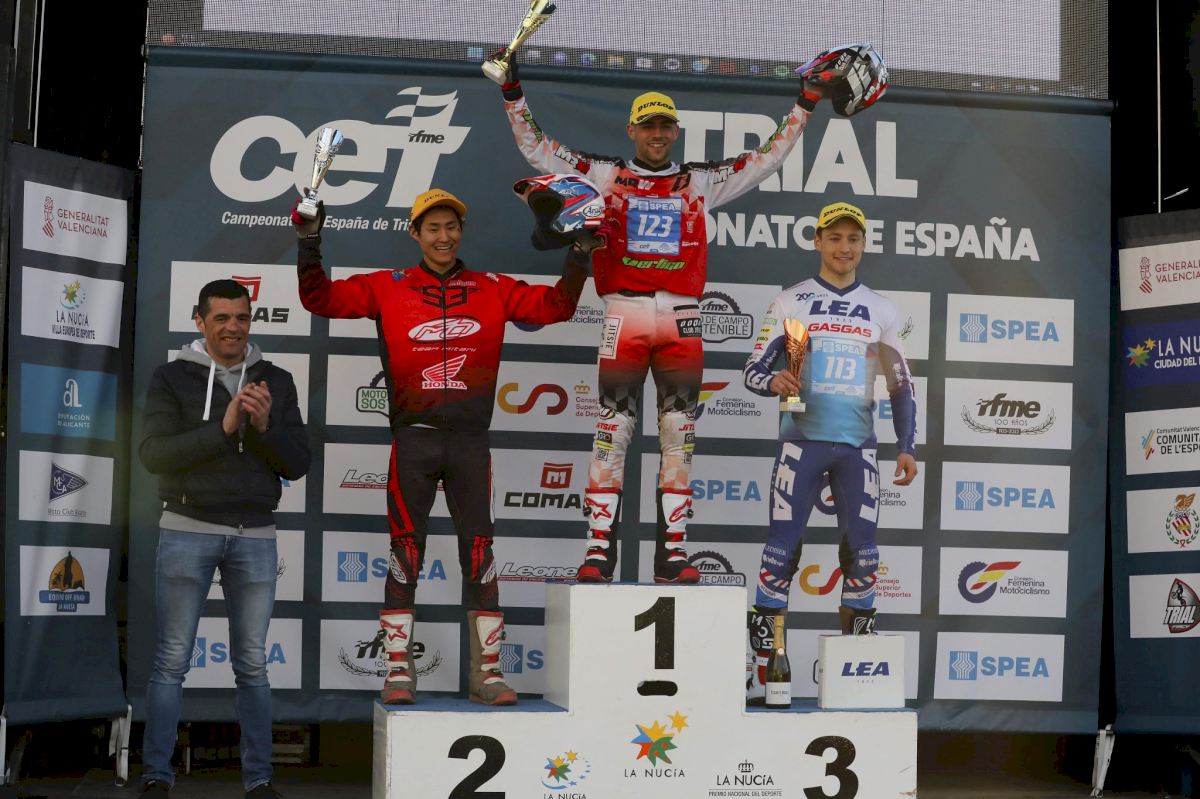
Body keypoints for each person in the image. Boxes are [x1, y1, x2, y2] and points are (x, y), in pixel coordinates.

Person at [488, 44, 886, 584]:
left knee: (679, 435)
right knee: (612, 430)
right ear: (632, 130)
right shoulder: (603, 174)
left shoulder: (700, 180)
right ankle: (598, 552)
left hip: (683, 319)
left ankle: (672, 555)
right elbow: (538, 150)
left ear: (675, 131)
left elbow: (767, 157)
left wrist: (806, 102)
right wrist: (512, 91)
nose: (657, 135)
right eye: (648, 126)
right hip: (624, 313)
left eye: (665, 126)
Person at [291, 188, 590, 705]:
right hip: (413, 439)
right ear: (415, 233)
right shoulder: (388, 286)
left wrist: (580, 251)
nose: (444, 236)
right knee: (405, 553)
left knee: (480, 556)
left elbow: (558, 307)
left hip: (471, 442)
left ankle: (487, 675)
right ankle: (398, 672)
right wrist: (308, 240)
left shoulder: (491, 287)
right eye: (433, 227)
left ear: (461, 231)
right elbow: (320, 299)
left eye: (452, 226)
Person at [139, 279, 311, 797]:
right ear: (199, 321)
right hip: (187, 529)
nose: (233, 327)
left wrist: (264, 427)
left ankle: (259, 779)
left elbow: (297, 464)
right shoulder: (172, 377)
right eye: (221, 318)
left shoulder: (276, 380)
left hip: (255, 534)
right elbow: (154, 455)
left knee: (253, 664)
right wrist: (225, 425)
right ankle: (156, 776)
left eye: (241, 317)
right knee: (172, 659)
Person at [742, 201, 917, 703]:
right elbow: (753, 371)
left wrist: (907, 446)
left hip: (858, 447)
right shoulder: (791, 302)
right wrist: (773, 380)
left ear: (863, 245)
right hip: (801, 442)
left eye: (853, 239)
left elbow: (901, 385)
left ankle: (855, 678)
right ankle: (768, 675)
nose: (844, 247)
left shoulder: (882, 309)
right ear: (817, 241)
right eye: (835, 237)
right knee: (781, 552)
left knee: (863, 554)